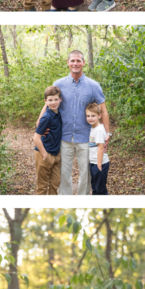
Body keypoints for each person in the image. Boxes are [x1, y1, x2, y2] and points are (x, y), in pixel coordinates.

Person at [36, 49, 109, 195]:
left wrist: (107, 134)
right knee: (63, 173)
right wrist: (39, 122)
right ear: (68, 63)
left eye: (78, 61)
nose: (75, 63)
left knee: (85, 174)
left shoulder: (93, 85)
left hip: (86, 137)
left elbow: (104, 111)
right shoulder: (59, 84)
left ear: (83, 63)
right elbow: (48, 103)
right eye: (72, 61)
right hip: (64, 136)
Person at [33, 85, 63, 195]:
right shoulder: (46, 117)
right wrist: (44, 154)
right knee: (42, 186)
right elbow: (36, 138)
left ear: (60, 99)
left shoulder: (59, 112)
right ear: (46, 101)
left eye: (56, 99)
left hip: (56, 154)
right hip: (44, 153)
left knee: (55, 183)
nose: (53, 102)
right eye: (50, 100)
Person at [87, 102, 111, 195]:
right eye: (88, 116)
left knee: (101, 190)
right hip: (94, 163)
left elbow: (101, 148)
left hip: (99, 164)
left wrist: (99, 165)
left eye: (93, 116)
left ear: (99, 116)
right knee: (95, 188)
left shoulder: (99, 130)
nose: (90, 118)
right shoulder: (93, 128)